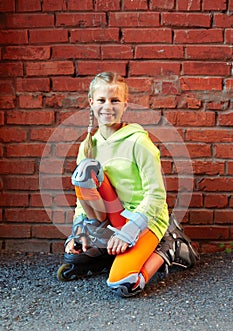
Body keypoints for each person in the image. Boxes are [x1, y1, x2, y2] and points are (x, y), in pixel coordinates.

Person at [58, 72, 199, 297]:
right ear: (91, 102)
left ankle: (170, 247)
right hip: (110, 217)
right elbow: (81, 195)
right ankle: (103, 243)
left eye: (115, 100)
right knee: (85, 173)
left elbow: (156, 196)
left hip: (144, 219)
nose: (108, 106)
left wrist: (129, 231)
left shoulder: (139, 142)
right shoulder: (88, 145)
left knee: (123, 283)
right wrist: (78, 230)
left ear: (125, 104)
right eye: (102, 100)